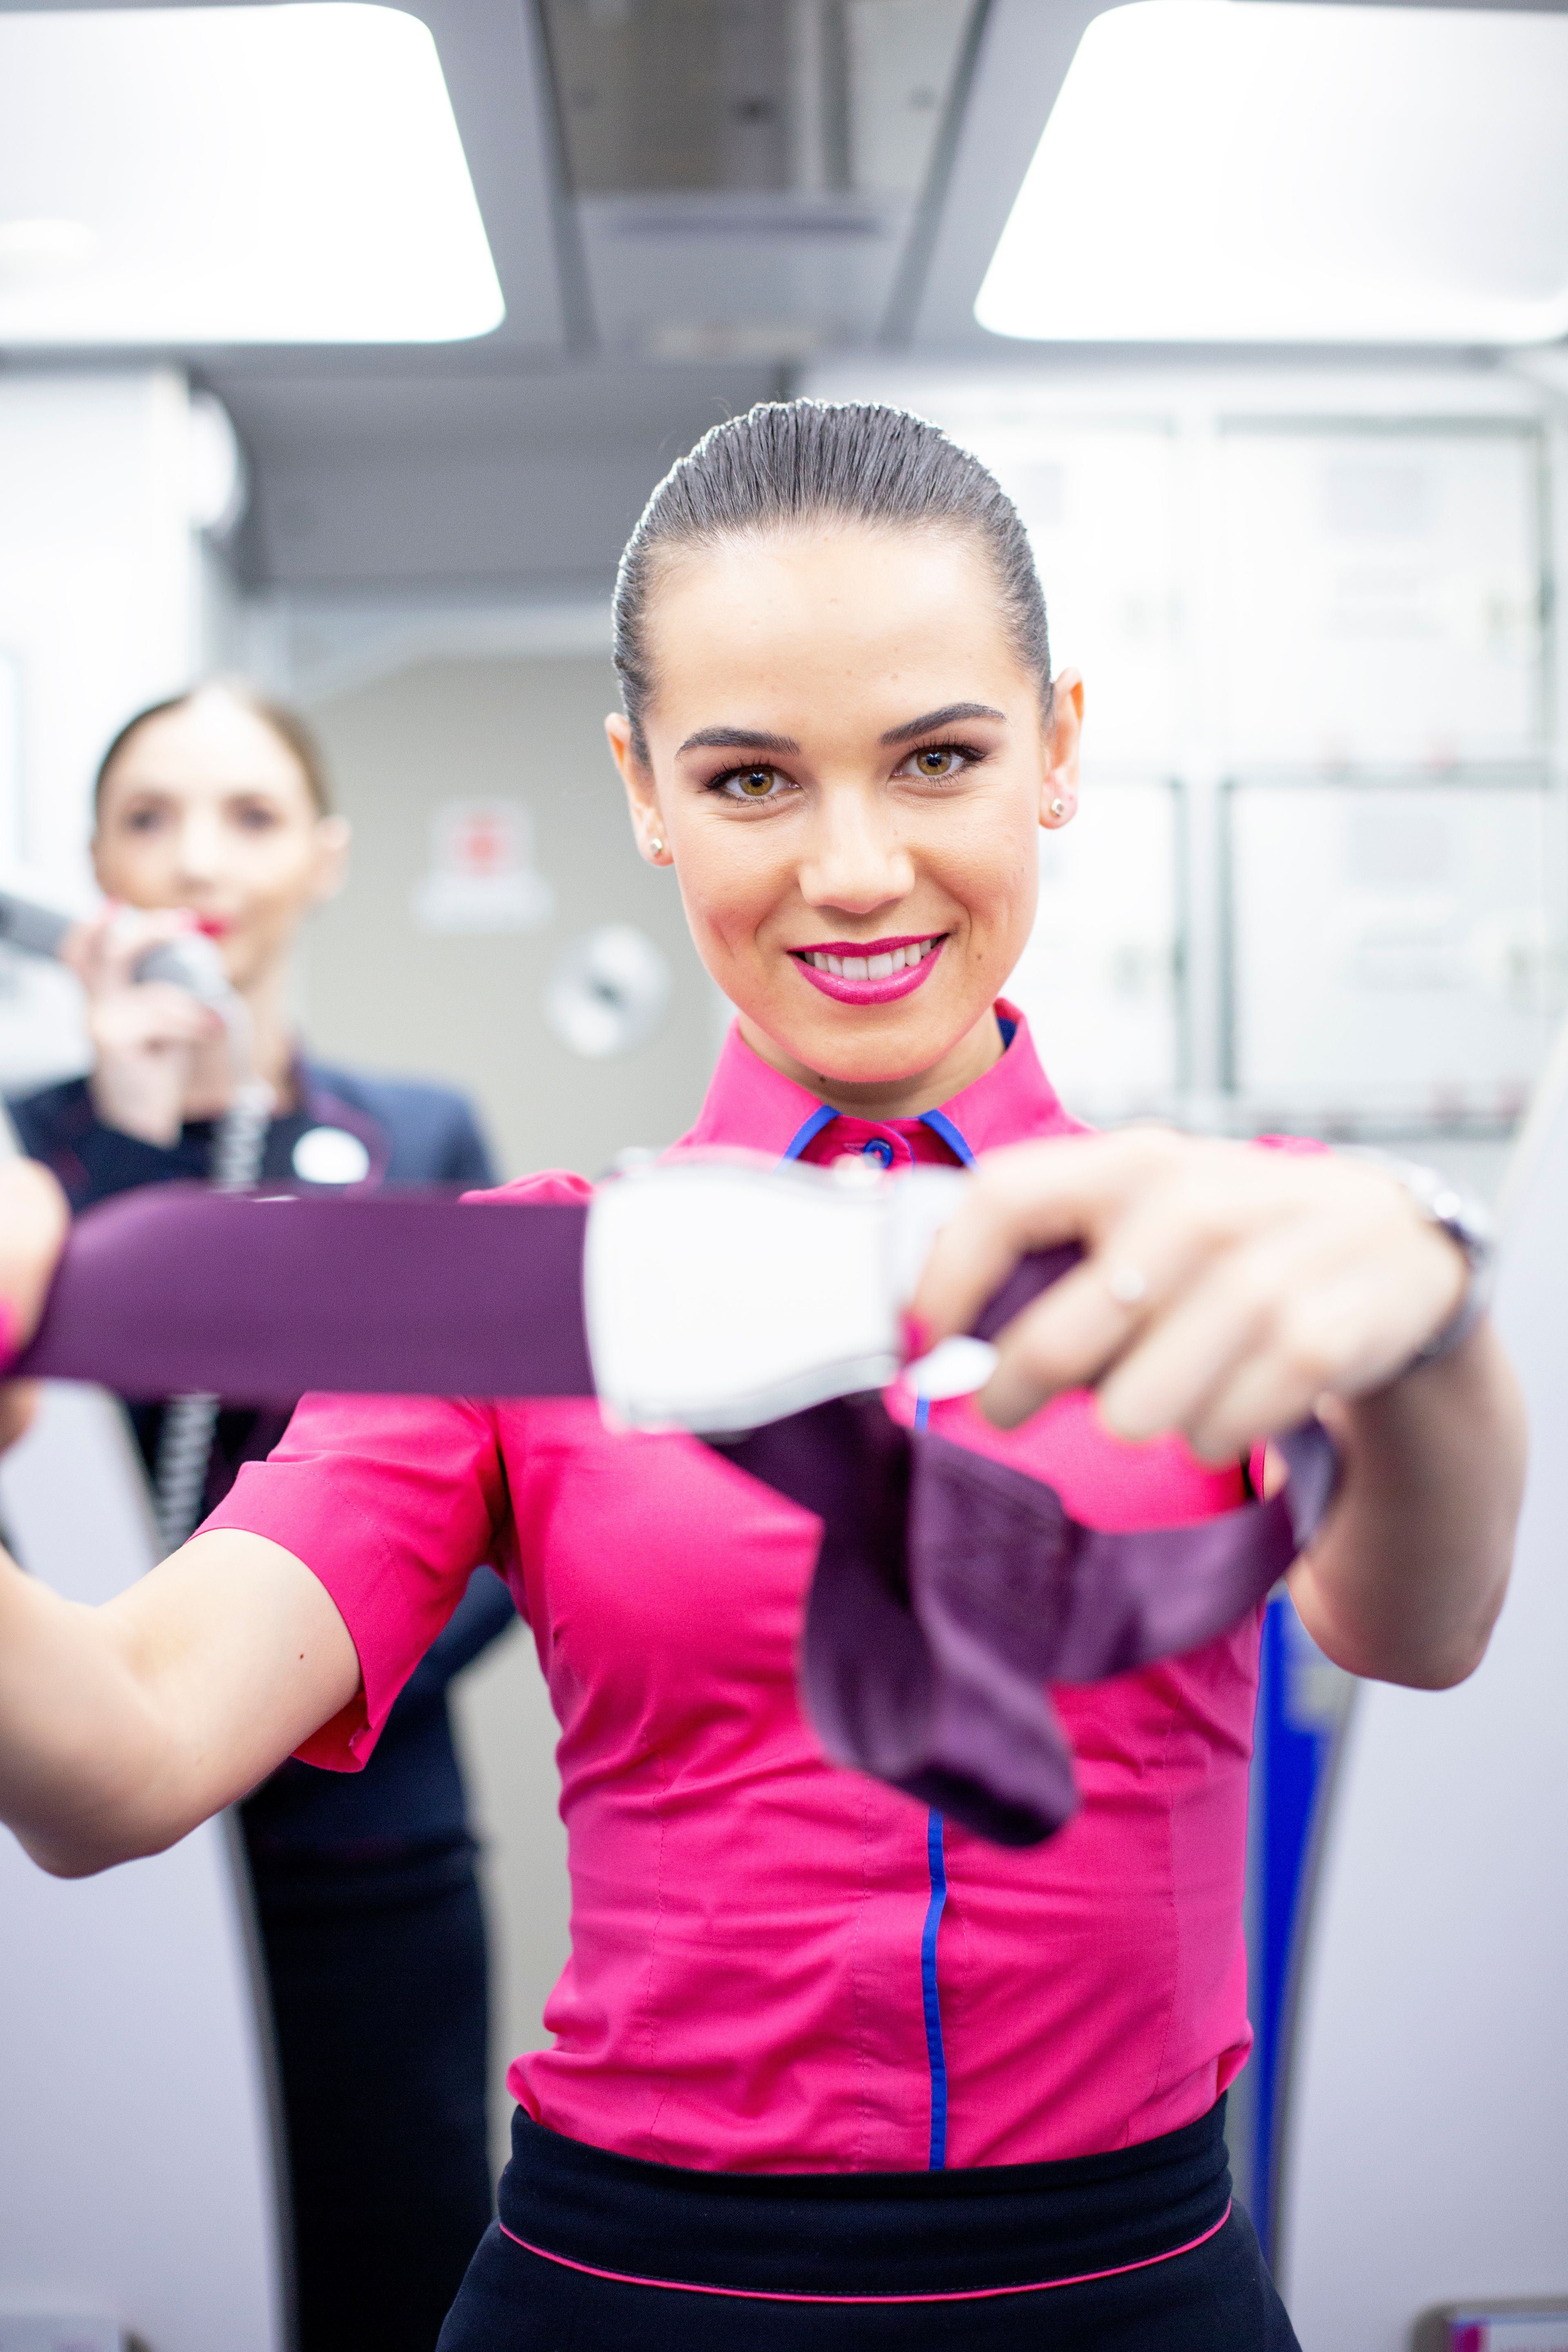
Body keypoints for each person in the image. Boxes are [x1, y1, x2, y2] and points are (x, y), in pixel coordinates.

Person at [0, 407, 1524, 2350]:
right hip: (620, 2298)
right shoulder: (513, 1293)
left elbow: (1425, 1621)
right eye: (751, 781)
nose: (855, 869)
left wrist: (1439, 1321)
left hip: (1139, 2293)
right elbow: (117, 1760)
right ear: (645, 791)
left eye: (940, 759)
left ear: (1056, 747)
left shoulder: (1239, 1243)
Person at [4, 684, 517, 2352]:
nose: (198, 857)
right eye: (149, 819)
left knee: (392, 2250)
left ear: (324, 858)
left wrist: (290, 1684)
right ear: (93, 868)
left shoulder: (420, 1133)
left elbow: (489, 1498)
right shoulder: (30, 1158)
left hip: (362, 1833)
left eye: (247, 815)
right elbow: (82, 1477)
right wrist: (137, 1137)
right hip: (82, 1822)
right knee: (144, 2258)